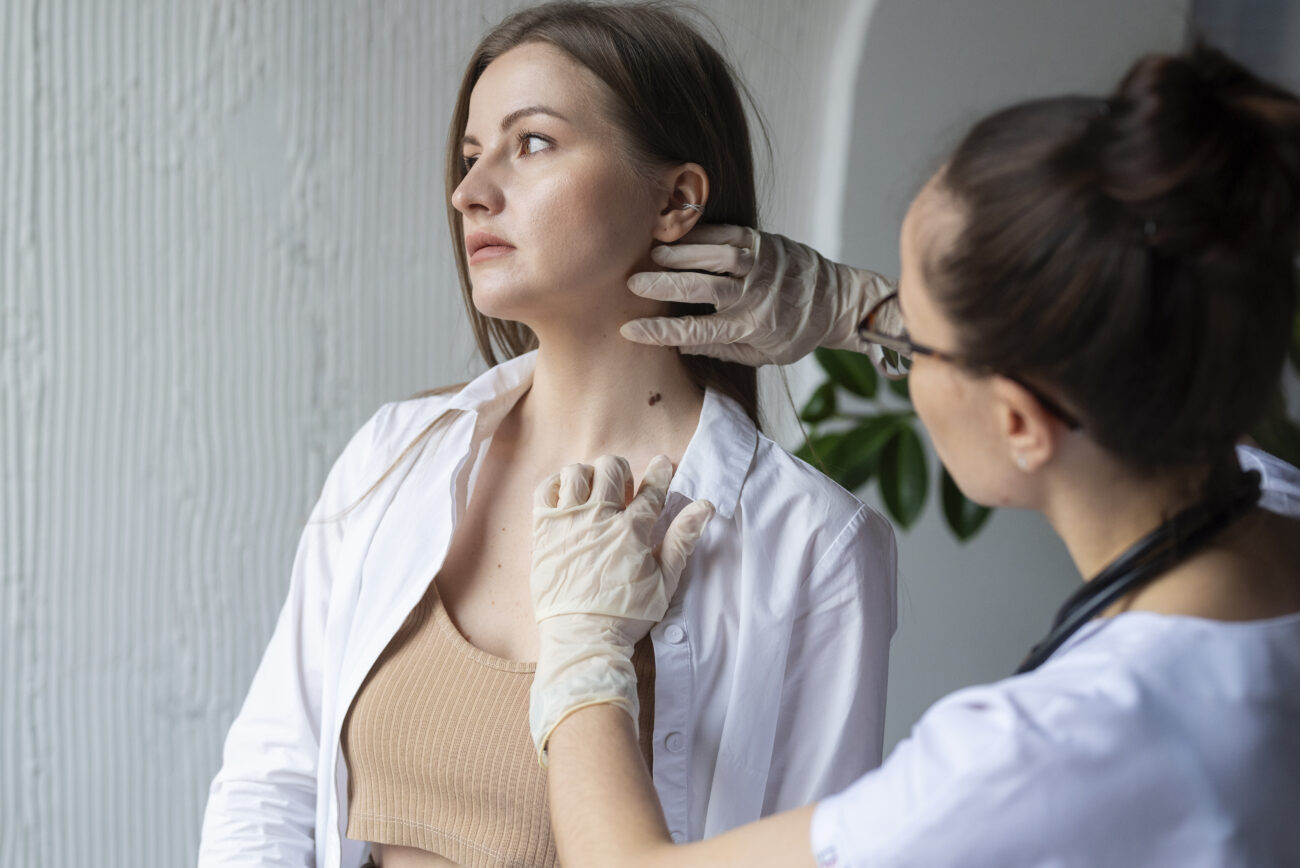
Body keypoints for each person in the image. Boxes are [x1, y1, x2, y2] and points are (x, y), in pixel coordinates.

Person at [527, 44, 1300, 866]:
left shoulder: (1040, 751)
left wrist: (584, 653)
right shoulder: (1275, 513)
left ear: (1020, 423)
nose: (900, 359)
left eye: (917, 345)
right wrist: (860, 315)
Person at [197, 4, 897, 867]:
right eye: (468, 155)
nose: (470, 191)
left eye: (531, 143)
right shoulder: (395, 455)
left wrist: (881, 313)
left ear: (676, 199)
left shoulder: (812, 546)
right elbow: (268, 784)